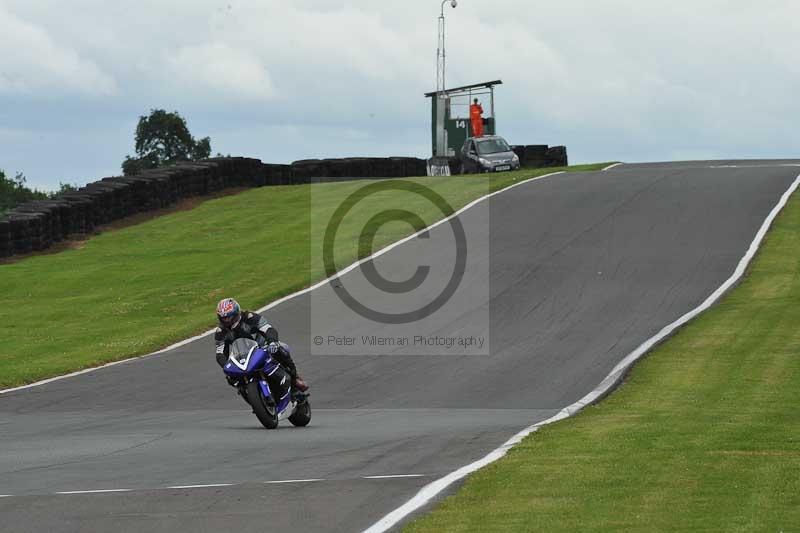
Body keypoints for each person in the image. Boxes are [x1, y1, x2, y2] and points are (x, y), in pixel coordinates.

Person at [214, 298, 309, 392]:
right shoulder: (221, 331)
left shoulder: (249, 317)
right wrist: (226, 366)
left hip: (263, 347)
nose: (226, 321)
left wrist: (272, 342)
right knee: (231, 377)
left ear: (236, 313)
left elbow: (268, 329)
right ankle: (248, 393)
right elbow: (220, 352)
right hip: (242, 356)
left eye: (229, 317)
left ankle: (295, 378)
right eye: (223, 318)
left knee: (281, 349)